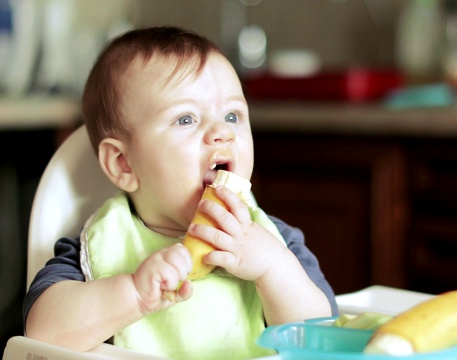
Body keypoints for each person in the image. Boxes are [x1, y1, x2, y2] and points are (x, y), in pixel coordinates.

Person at [23, 26, 337, 360]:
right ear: (123, 164)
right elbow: (41, 333)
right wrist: (132, 293)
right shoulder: (106, 243)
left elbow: (322, 338)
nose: (222, 133)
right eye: (186, 119)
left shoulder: (274, 241)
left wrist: (273, 269)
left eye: (232, 115)